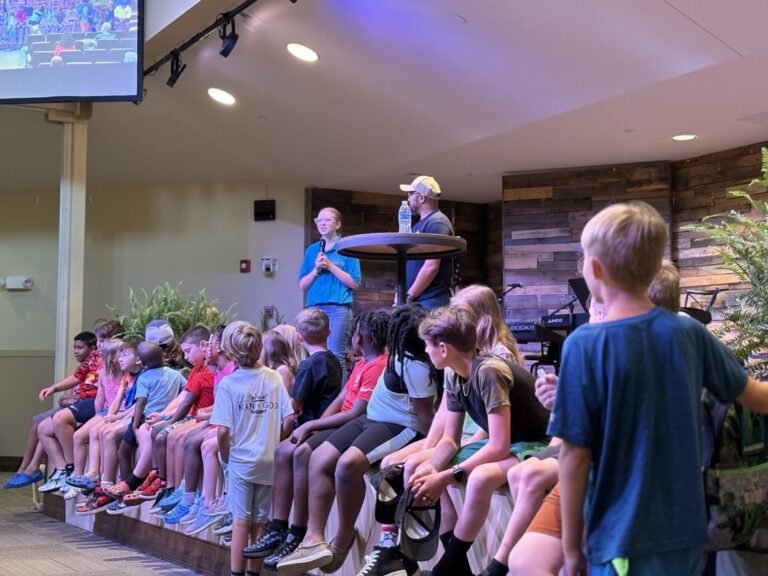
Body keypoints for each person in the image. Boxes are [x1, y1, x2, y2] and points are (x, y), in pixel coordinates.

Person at [550, 201, 768, 576]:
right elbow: (758, 398)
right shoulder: (689, 333)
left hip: (623, 542)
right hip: (687, 535)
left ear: (595, 269)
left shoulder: (584, 345)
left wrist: (570, 550)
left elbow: (573, 457)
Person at [277, 304, 438, 576]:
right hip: (369, 420)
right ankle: (313, 538)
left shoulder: (417, 366)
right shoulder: (395, 358)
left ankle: (342, 538)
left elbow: (425, 418)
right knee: (318, 457)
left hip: (398, 425)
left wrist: (433, 448)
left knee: (347, 464)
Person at [242, 310, 390, 571]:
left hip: (356, 424)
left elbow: (356, 412)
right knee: (283, 450)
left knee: (301, 454)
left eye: (354, 333)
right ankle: (279, 527)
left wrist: (312, 424)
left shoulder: (377, 366)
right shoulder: (360, 364)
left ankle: (299, 532)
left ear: (362, 338)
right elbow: (340, 399)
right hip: (338, 423)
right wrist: (317, 427)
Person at [409, 304, 550, 576]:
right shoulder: (453, 374)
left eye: (428, 344)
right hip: (511, 445)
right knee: (423, 467)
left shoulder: (488, 372)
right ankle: (455, 562)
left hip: (538, 443)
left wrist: (446, 476)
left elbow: (498, 445)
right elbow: (450, 441)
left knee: (479, 477)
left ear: (443, 348)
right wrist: (433, 469)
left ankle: (452, 564)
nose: (426, 351)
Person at [210, 321, 294, 576]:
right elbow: (288, 419)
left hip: (241, 462)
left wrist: (226, 456)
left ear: (230, 352)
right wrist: (273, 442)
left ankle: (236, 573)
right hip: (268, 461)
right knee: (259, 524)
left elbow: (223, 431)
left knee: (240, 523)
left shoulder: (229, 384)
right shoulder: (274, 377)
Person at [298, 207, 361, 382]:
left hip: (338, 308)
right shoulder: (312, 250)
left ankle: (338, 403)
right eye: (319, 220)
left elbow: (355, 283)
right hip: (314, 309)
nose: (322, 224)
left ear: (338, 224)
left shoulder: (348, 248)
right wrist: (316, 270)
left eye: (327, 220)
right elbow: (302, 285)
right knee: (312, 355)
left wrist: (330, 266)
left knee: (335, 356)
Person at [37, 331, 102, 493]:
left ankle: (72, 468)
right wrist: (53, 388)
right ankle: (61, 470)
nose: (75, 351)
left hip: (96, 401)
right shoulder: (91, 360)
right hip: (83, 400)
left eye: (102, 339)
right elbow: (76, 377)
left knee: (60, 418)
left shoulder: (109, 359)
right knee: (43, 428)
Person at [400, 175, 455, 309]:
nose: (408, 199)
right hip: (419, 300)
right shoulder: (421, 224)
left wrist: (409, 296)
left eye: (410, 194)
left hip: (431, 300)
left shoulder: (437, 223)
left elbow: (431, 266)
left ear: (421, 198)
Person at [291, 308, 343, 426]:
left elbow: (294, 405)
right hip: (330, 421)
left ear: (298, 338)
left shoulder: (307, 366)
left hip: (309, 424)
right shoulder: (335, 360)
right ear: (329, 333)